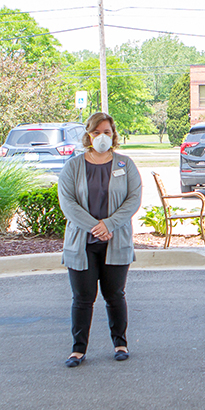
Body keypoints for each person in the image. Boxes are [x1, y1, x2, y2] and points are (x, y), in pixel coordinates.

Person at [57, 112, 142, 367]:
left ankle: (120, 343)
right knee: (82, 298)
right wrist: (96, 227)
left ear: (114, 135)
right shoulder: (73, 166)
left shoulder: (125, 165)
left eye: (106, 132)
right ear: (88, 135)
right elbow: (68, 203)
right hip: (81, 244)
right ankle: (78, 350)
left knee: (115, 294)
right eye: (96, 133)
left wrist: (109, 225)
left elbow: (133, 200)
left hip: (116, 241)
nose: (102, 137)